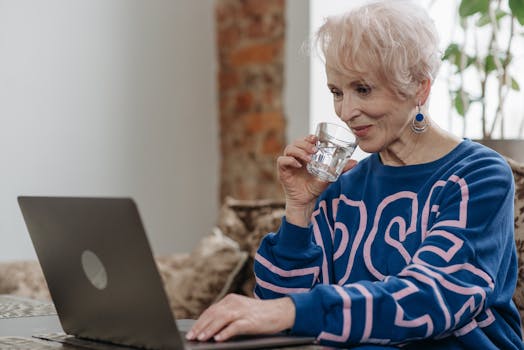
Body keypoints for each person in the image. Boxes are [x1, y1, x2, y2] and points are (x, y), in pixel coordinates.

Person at [186, 0, 524, 348]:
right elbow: (276, 315)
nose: (346, 112)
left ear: (420, 88)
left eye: (363, 89)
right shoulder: (342, 186)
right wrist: (299, 209)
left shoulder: (478, 177)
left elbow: (432, 298)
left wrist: (289, 311)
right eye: (337, 92)